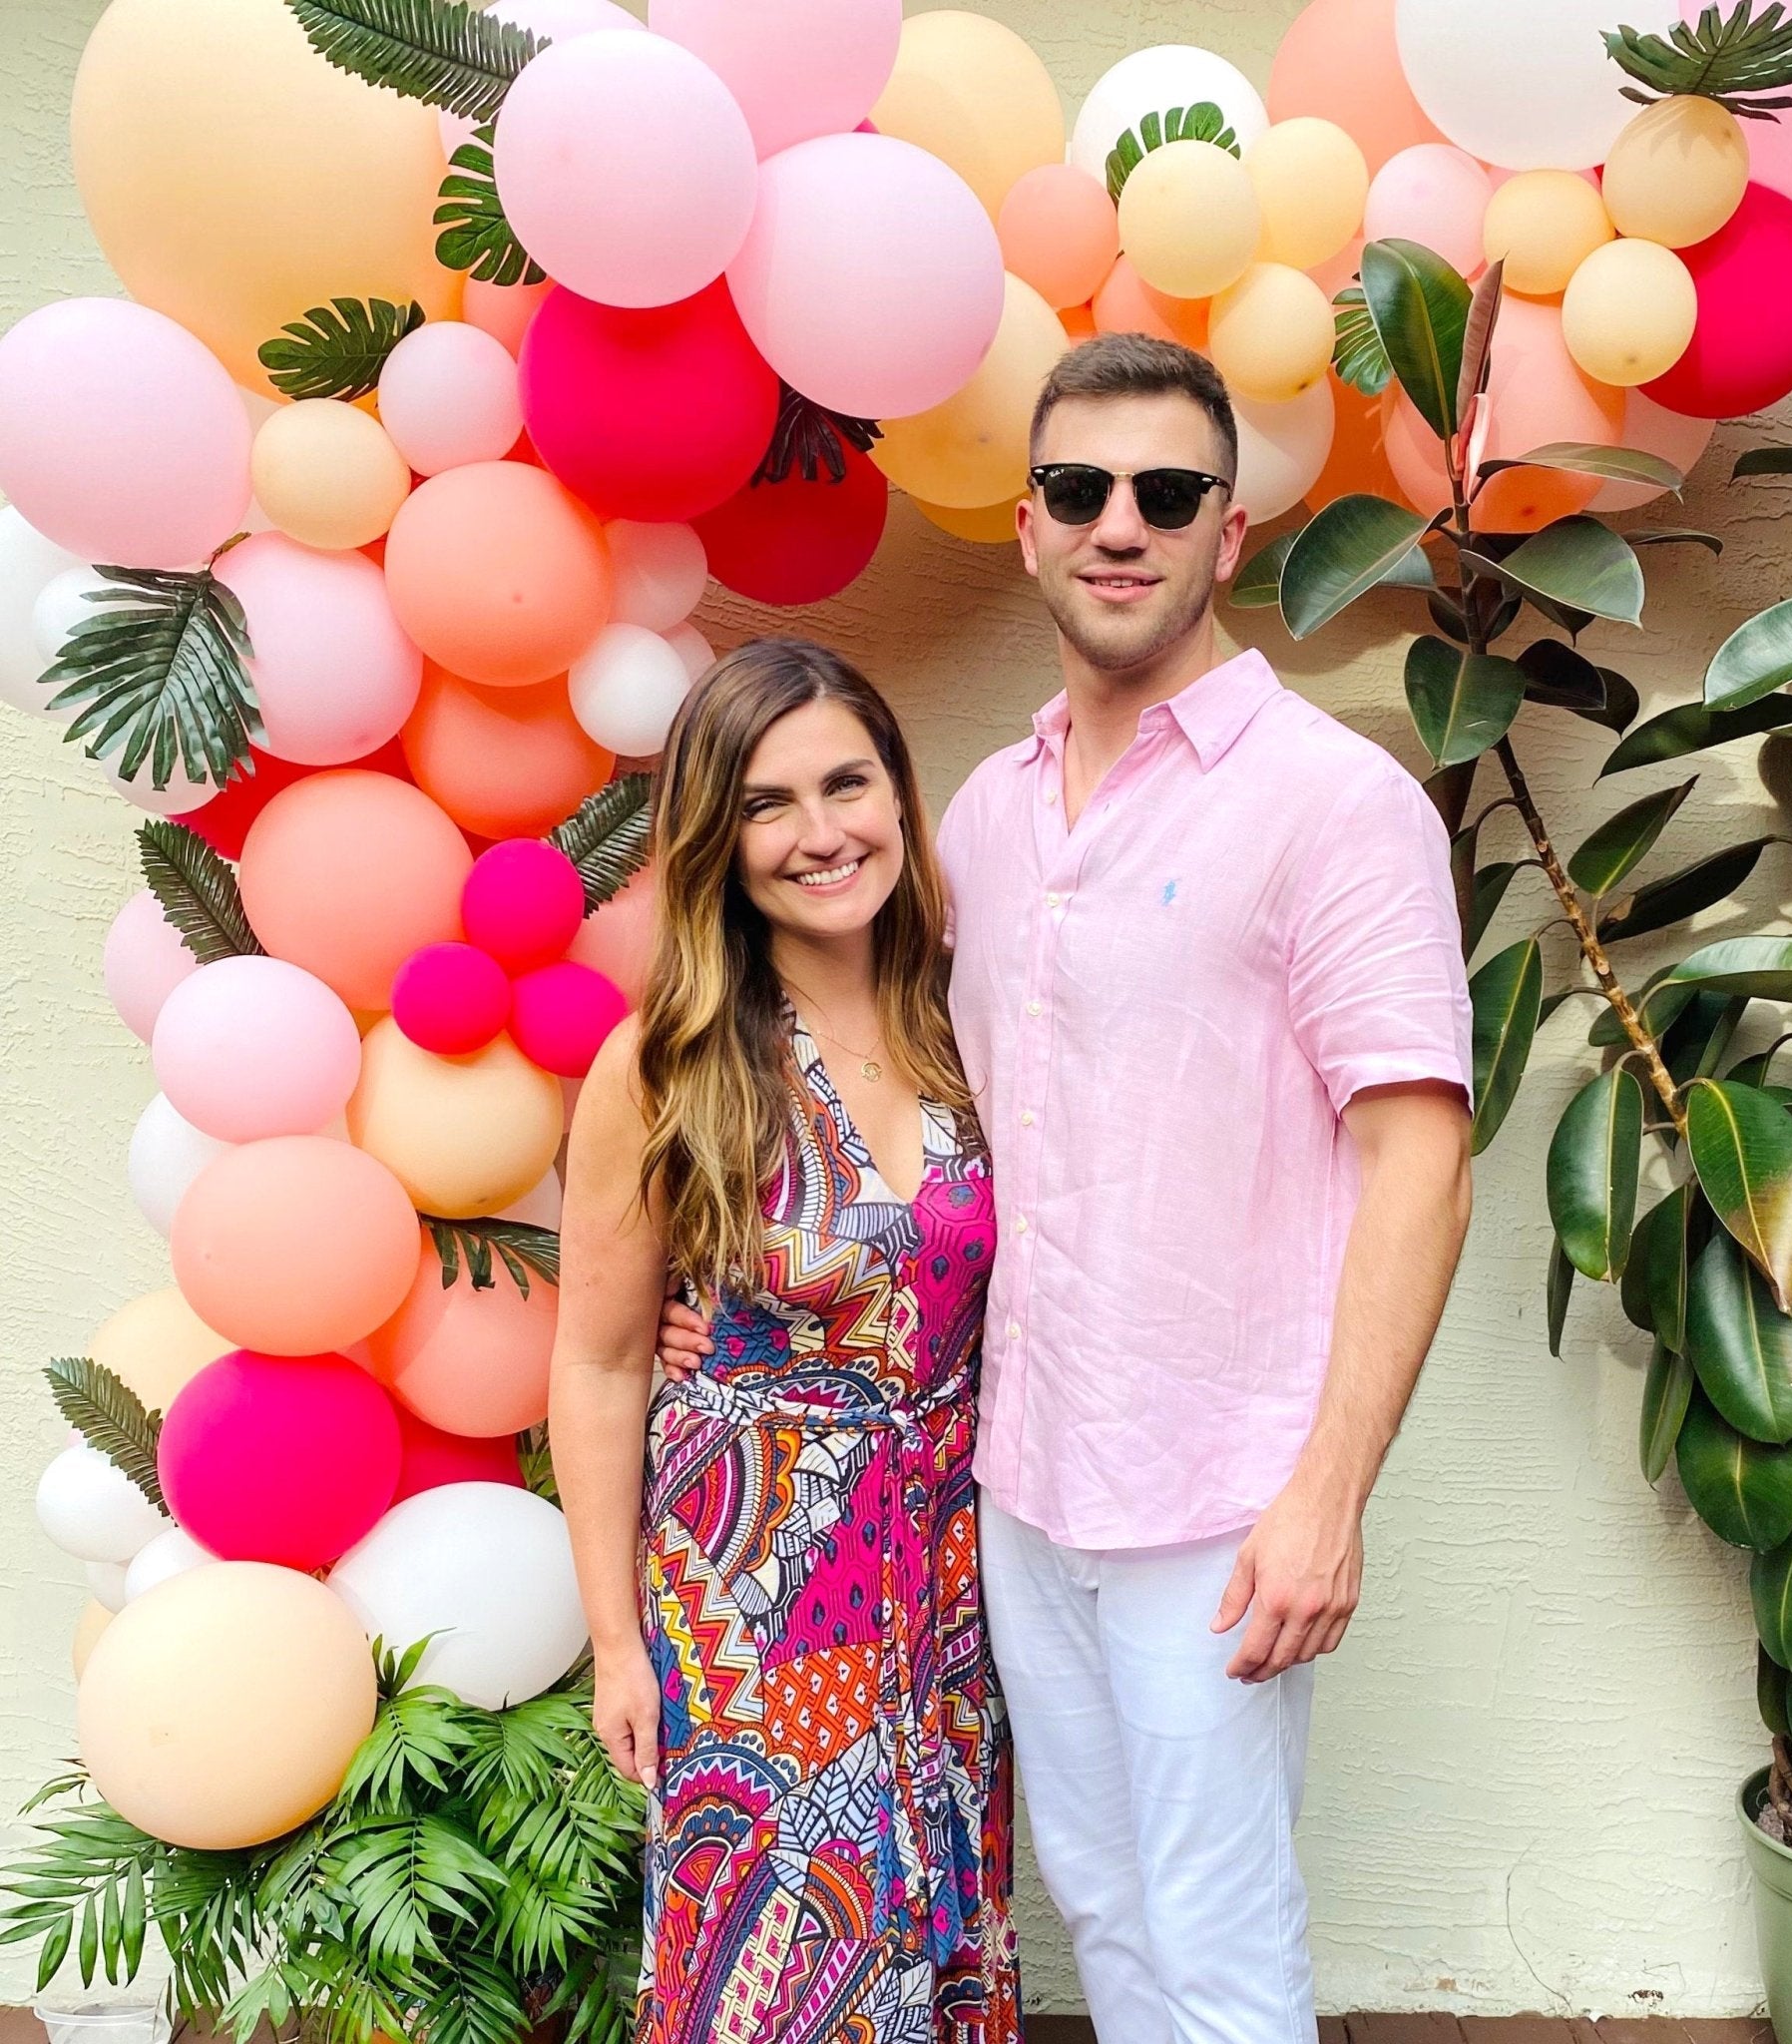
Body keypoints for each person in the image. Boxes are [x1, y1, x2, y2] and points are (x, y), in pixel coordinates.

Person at [660, 333, 1476, 2044]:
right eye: (1083, 490)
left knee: (1220, 1938)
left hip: (1218, 1500)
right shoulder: (985, 817)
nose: (1122, 524)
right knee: (1100, 1917)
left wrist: (1327, 1490)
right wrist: (735, 1319)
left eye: (1166, 493)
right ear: (1026, 523)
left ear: (1226, 533)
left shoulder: (1336, 806)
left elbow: (1418, 1159)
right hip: (1017, 1490)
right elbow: (906, 1114)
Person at [549, 639, 1021, 2044]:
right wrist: (617, 1644)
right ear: (716, 838)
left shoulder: (970, 1013)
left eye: (846, 784)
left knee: (943, 1925)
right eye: (768, 804)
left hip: (946, 1574)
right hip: (749, 1592)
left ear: (897, 791)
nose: (821, 834)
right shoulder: (669, 1061)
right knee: (774, 1949)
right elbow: (598, 1356)